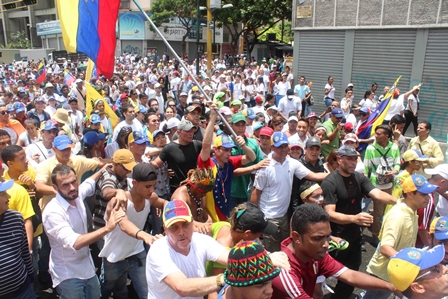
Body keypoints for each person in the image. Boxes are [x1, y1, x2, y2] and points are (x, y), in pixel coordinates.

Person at [271, 204, 398, 299]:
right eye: (317, 238)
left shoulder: (315, 254)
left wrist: (392, 287)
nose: (326, 244)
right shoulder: (284, 272)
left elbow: (350, 275)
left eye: (328, 236)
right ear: (297, 237)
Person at [322, 145, 397, 299]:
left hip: (355, 236)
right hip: (336, 238)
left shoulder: (358, 177)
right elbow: (329, 213)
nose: (353, 162)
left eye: (355, 159)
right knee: (324, 273)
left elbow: (376, 193)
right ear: (339, 159)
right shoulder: (330, 182)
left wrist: (400, 202)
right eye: (349, 159)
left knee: (352, 271)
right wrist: (354, 219)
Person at [42, 164, 125, 299]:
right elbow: (75, 242)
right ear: (55, 188)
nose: (73, 187)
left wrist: (104, 170)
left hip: (87, 268)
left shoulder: (77, 194)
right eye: (65, 185)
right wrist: (107, 228)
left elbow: (89, 182)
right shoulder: (53, 212)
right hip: (68, 275)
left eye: (74, 181)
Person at [363, 175, 439, 299]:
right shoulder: (398, 216)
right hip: (384, 274)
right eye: (423, 194)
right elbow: (385, 248)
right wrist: (408, 264)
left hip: (393, 272)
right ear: (410, 194)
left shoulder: (411, 210)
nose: (428, 198)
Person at [99, 163, 168, 299]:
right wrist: (146, 237)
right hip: (114, 257)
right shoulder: (119, 201)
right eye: (148, 186)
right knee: (106, 290)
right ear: (135, 183)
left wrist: (168, 221)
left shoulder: (150, 198)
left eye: (153, 186)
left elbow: (165, 203)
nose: (152, 190)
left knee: (147, 292)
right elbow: (124, 224)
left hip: (137, 253)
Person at [251, 132, 327, 252]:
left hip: (284, 216)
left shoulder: (292, 163)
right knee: (273, 253)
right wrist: (255, 219)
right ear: (272, 147)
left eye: (285, 146)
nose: (283, 149)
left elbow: (314, 175)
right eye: (279, 146)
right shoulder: (265, 167)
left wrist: (335, 174)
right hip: (269, 216)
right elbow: (256, 193)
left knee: (286, 248)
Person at [0, 179, 36, 299]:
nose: (8, 196)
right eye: (3, 194)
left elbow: (24, 253)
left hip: (23, 290)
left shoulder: (15, 218)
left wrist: (31, 278)